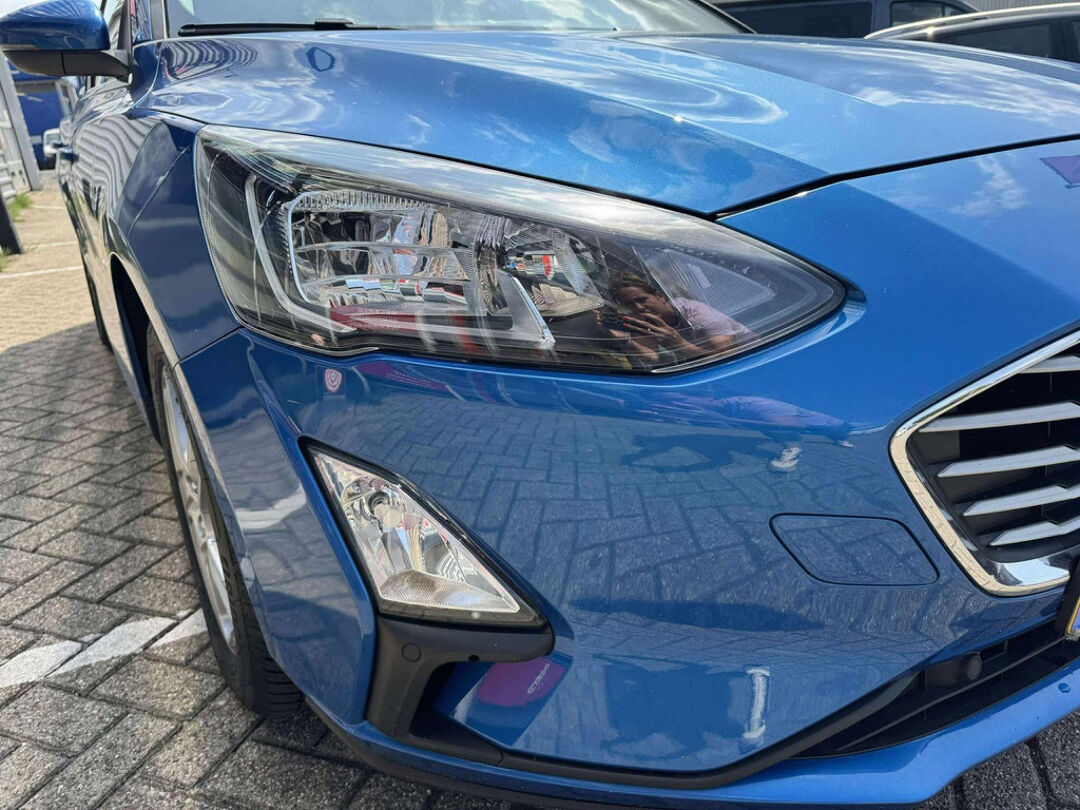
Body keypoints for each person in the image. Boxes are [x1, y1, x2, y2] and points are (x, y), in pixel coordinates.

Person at [598, 274, 754, 366]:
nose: (638, 308)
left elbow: (728, 360)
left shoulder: (699, 315)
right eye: (629, 305)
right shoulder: (644, 322)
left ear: (660, 296)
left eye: (642, 300)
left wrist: (680, 344)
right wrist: (626, 341)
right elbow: (652, 357)